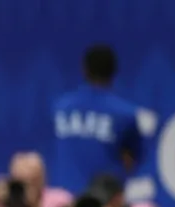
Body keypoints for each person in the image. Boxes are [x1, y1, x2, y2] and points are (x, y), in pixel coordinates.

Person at [51, 45, 143, 196]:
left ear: (84, 70)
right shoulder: (125, 114)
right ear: (114, 71)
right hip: (104, 202)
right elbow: (130, 161)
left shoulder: (61, 107)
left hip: (64, 200)